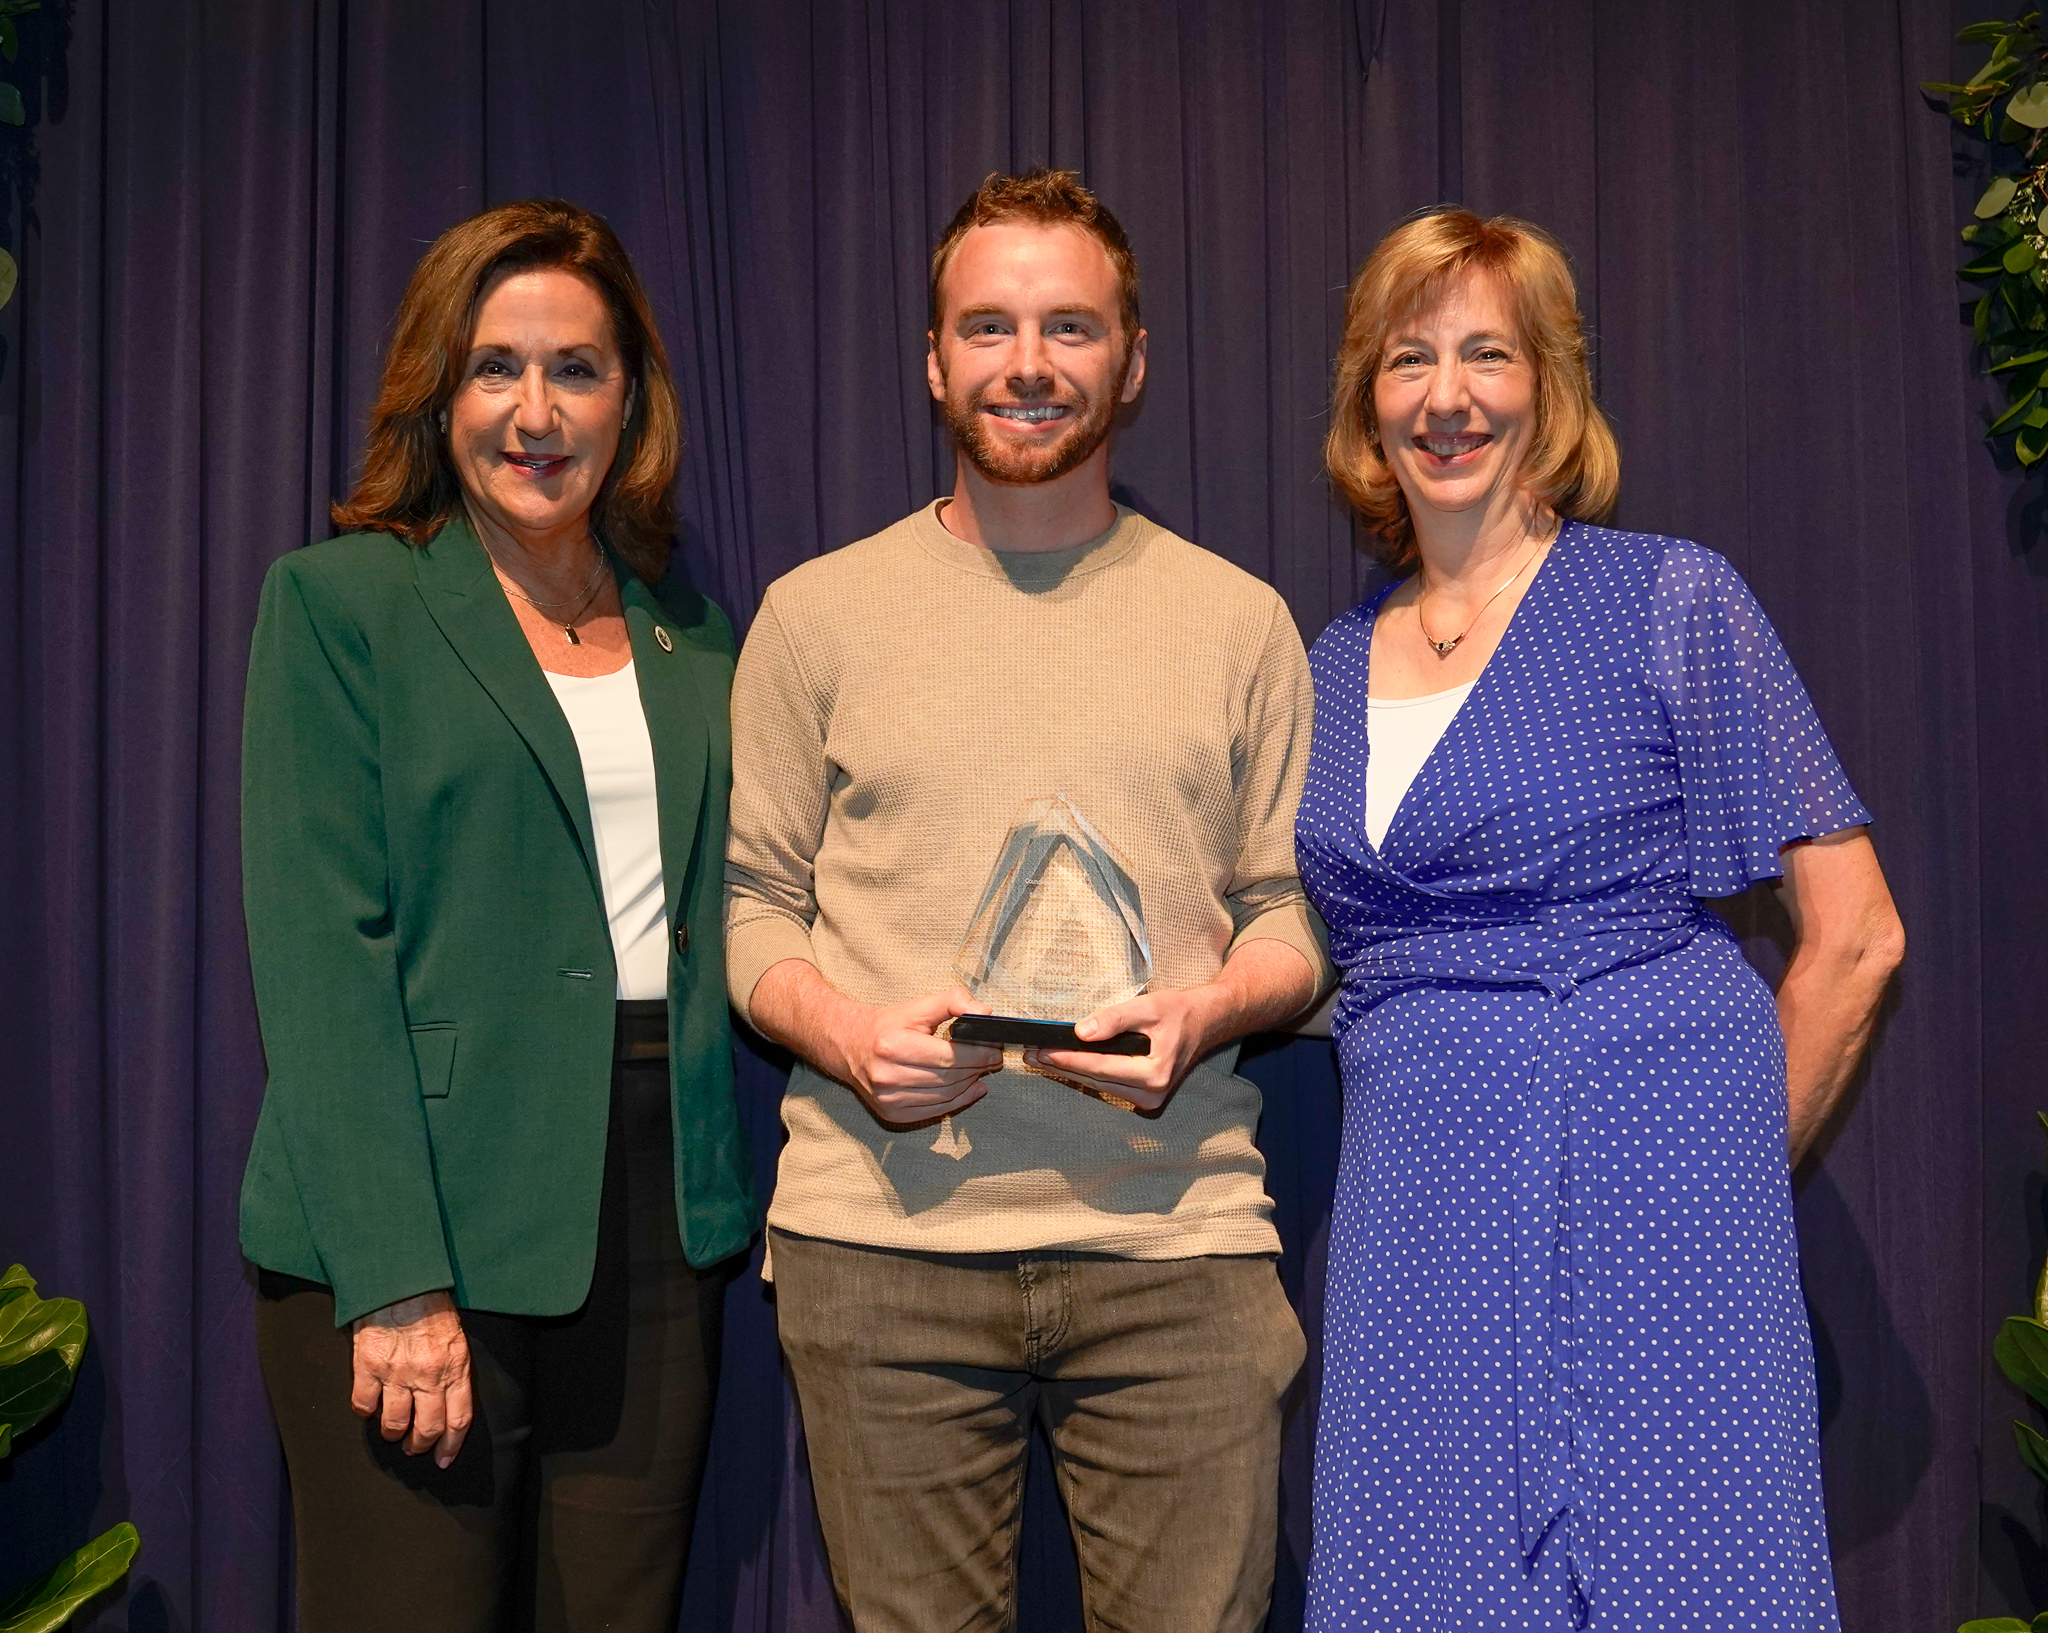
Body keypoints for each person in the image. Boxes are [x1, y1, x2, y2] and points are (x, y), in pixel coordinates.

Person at [725, 168, 1330, 1633]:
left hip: (1174, 1250)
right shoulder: (815, 615)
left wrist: (1211, 1009)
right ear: (934, 360)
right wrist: (850, 1038)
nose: (1029, 364)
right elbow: (751, 911)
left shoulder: (1240, 620)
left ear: (1133, 359)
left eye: (1070, 326)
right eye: (987, 327)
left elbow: (1292, 920)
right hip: (882, 1253)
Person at [1295, 206, 1905, 1631]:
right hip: (1415, 1218)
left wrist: (1721, 1179)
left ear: (1551, 390)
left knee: (1682, 1582)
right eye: (1408, 359)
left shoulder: (1667, 600)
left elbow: (1858, 933)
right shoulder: (1322, 664)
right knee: (1411, 1580)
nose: (1447, 398)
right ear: (1365, 403)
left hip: (1654, 1204)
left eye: (1487, 355)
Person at [238, 198, 751, 1633]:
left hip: (659, 1227)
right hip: (421, 1216)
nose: (537, 412)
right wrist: (398, 1280)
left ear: (630, 396)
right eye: (495, 367)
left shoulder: (692, 631)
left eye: (577, 370)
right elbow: (323, 962)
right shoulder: (342, 606)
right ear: (437, 392)